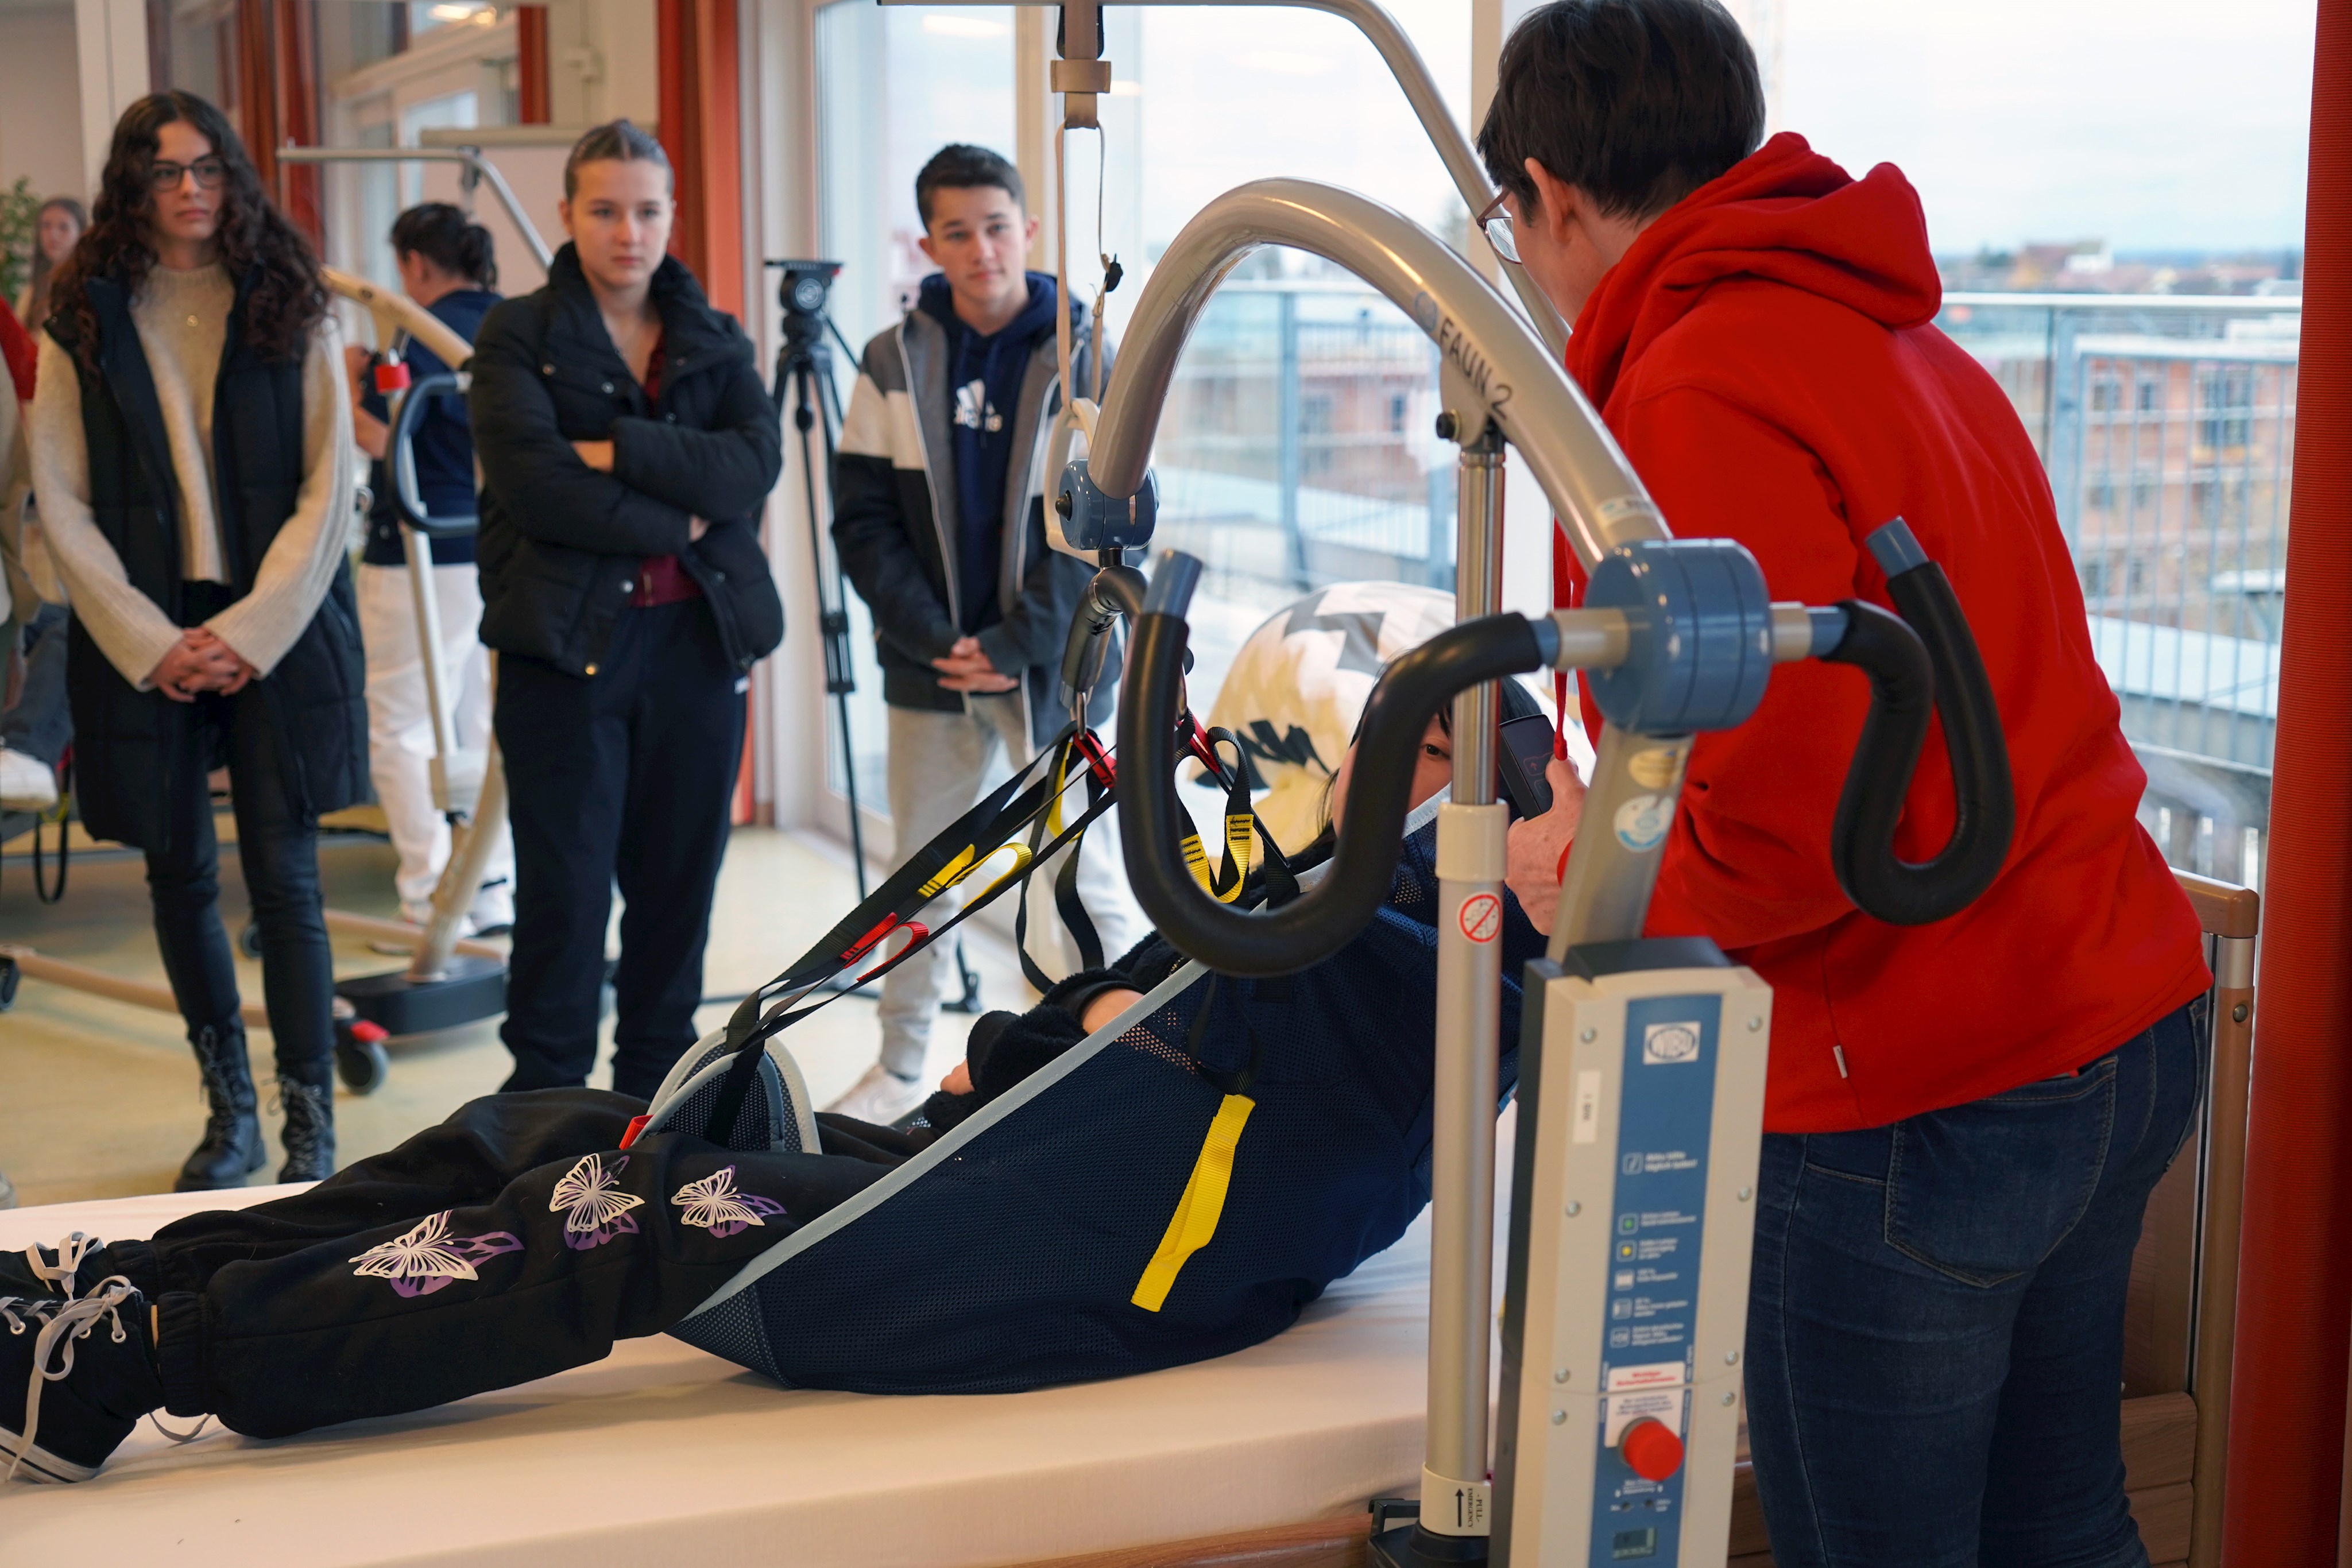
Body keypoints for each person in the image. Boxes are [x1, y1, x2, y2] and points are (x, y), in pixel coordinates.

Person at [0, 706, 1507, 1484]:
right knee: (570, 1126)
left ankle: (138, 1365)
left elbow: (1257, 1098)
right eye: (1390, 740)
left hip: (1042, 1265)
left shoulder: (1436, 965)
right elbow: (1124, 1033)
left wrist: (1094, 1031)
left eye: (1439, 755)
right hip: (980, 1175)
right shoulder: (1325, 903)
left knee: (626, 1209)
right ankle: (143, 1280)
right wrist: (1077, 1029)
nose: (1394, 772)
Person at [1477, 5, 2211, 1565]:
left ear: (1548, 194)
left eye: (1512, 224)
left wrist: (1587, 876)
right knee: (2065, 1527)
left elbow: (1794, 836)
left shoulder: (1690, 392)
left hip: (1922, 1083)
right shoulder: (1896, 334)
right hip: (2116, 1013)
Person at [26, 91, 363, 1188]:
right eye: (167, 171)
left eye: (209, 168)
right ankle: (232, 1117)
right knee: (177, 874)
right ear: (133, 183)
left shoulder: (292, 298)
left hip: (275, 626)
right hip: (148, 632)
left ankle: (308, 1126)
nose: (192, 190)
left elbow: (328, 485)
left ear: (235, 175)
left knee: (287, 880)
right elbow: (62, 500)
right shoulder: (82, 316)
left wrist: (250, 631)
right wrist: (149, 639)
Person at [467, 121, 784, 1101]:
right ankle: (544, 1113)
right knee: (562, 901)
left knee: (676, 897)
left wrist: (614, 450)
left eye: (647, 211)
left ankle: (653, 1110)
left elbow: (753, 467)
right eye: (605, 210)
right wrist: (685, 512)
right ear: (567, 213)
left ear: (670, 215)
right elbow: (537, 488)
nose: (628, 232)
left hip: (697, 649)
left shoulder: (712, 335)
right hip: (567, 653)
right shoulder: (517, 334)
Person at [830, 142, 1143, 1125]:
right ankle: (900, 1064)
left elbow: (1114, 521)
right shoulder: (891, 360)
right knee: (919, 876)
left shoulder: (1086, 355)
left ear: (1028, 230)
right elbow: (861, 519)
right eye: (957, 233)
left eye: (997, 228)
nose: (982, 250)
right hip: (929, 665)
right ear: (928, 243)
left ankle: (1100, 1065)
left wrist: (1012, 645)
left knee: (1077, 873)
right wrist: (935, 638)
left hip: (1058, 667)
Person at [343, 203, 513, 931]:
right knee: (477, 721)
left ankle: (427, 897)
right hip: (492, 546)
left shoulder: (412, 334)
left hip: (419, 550)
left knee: (400, 726)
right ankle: (489, 887)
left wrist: (343, 386)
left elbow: (390, 443)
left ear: (414, 264)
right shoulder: (509, 324)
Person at [14, 196, 88, 332]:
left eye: (63, 228)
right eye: (46, 226)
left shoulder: (87, 288)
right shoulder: (31, 292)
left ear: (81, 233)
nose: (53, 235)